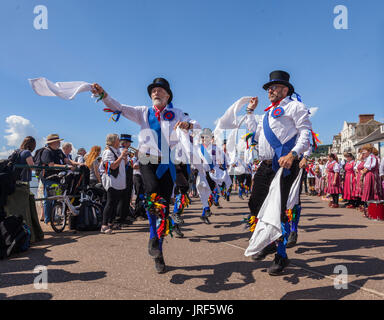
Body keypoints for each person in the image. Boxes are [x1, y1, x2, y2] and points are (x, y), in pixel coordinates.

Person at [91, 77, 200, 273]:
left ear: (168, 95)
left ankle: (158, 247)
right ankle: (153, 238)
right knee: (153, 195)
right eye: (153, 91)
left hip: (167, 161)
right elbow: (119, 107)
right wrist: (103, 94)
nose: (155, 93)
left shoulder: (176, 113)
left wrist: (187, 126)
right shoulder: (143, 112)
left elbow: (197, 125)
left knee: (164, 205)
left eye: (160, 90)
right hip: (147, 160)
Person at [244, 70, 312, 275]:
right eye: (268, 88)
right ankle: (271, 242)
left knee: (279, 210)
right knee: (255, 203)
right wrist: (249, 112)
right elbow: (254, 135)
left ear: (285, 89)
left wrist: (293, 154)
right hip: (265, 166)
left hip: (285, 165)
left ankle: (281, 255)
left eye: (273, 87)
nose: (270, 90)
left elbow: (305, 133)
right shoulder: (266, 113)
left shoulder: (295, 106)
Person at [40, 134, 74, 224]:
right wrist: (66, 167)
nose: (59, 142)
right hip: (48, 177)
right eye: (58, 141)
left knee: (56, 198)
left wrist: (78, 164)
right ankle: (48, 219)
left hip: (58, 178)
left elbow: (67, 160)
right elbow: (51, 165)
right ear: (53, 142)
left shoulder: (59, 151)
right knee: (49, 198)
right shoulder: (46, 151)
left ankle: (53, 218)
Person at [99, 134, 128, 234]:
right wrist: (121, 156)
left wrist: (125, 157)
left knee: (115, 203)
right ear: (113, 141)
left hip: (118, 180)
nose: (119, 142)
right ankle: (104, 225)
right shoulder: (107, 152)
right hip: (111, 180)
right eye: (118, 140)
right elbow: (112, 166)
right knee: (110, 202)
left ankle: (111, 222)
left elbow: (123, 164)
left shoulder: (117, 151)